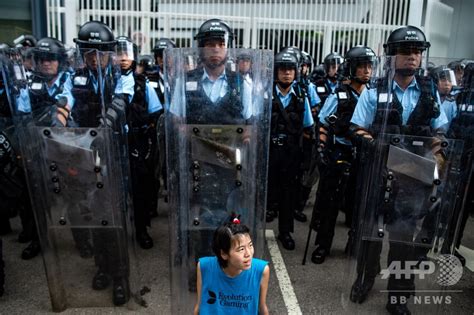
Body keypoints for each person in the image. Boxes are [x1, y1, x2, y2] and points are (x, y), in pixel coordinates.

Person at [349, 25, 448, 315]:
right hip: (378, 174)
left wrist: (437, 156)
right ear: (391, 55)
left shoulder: (431, 92)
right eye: (405, 51)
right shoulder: (374, 91)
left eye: (417, 51)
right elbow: (356, 128)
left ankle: (399, 296)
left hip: (414, 177)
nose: (412, 57)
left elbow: (438, 133)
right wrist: (379, 147)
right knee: (371, 235)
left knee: (403, 238)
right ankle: (365, 280)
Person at [72, 20, 132, 306]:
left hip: (113, 154)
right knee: (95, 214)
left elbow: (121, 102)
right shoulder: (76, 77)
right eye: (89, 53)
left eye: (100, 53)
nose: (94, 59)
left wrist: (104, 126)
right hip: (85, 154)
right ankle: (102, 267)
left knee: (114, 217)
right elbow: (64, 103)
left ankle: (120, 276)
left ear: (109, 53)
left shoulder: (122, 76)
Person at [309, 45, 376, 264]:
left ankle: (353, 243)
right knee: (330, 203)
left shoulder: (375, 94)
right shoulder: (339, 93)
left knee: (360, 205)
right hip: (341, 152)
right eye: (362, 66)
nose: (367, 71)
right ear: (351, 68)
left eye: (369, 66)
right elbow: (324, 122)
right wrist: (321, 150)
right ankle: (322, 245)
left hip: (366, 155)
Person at [116, 36, 163, 249]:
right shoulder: (107, 82)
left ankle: (141, 229)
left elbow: (155, 113)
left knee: (140, 189)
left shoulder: (143, 84)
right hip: (112, 141)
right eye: (119, 53)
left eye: (127, 53)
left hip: (138, 142)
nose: (123, 58)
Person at [266, 50, 314, 250]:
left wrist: (306, 160)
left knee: (288, 194)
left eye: (290, 70)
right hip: (269, 152)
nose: (286, 73)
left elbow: (308, 128)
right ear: (276, 72)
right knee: (265, 192)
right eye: (282, 69)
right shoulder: (264, 94)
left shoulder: (301, 97)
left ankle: (285, 232)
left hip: (291, 154)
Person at [194, 220, 270, 315]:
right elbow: (199, 306)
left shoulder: (261, 270)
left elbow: (262, 307)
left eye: (250, 245)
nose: (248, 253)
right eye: (241, 249)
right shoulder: (204, 266)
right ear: (224, 254)